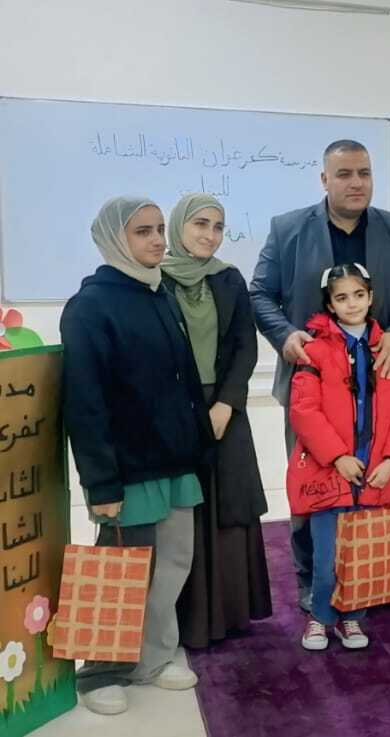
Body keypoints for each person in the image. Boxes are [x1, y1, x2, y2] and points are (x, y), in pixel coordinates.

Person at [251, 139, 390, 613]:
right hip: (312, 390)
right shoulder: (288, 229)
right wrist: (286, 335)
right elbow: (259, 294)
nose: (356, 183)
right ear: (324, 179)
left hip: (380, 385)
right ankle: (313, 582)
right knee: (314, 488)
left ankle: (367, 578)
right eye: (345, 174)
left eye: (364, 173)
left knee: (375, 483)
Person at [63, 196, 213, 715]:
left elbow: (185, 380)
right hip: (127, 470)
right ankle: (99, 672)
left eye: (159, 230)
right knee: (121, 571)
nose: (157, 240)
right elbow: (84, 403)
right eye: (142, 232)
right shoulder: (90, 306)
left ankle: (151, 658)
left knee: (171, 565)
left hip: (173, 463)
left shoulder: (158, 294)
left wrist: (197, 446)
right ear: (114, 239)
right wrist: (100, 483)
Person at [160, 194, 272, 649]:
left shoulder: (228, 279)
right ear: (179, 227)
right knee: (183, 512)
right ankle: (187, 621)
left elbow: (246, 344)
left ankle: (230, 615)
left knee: (230, 502)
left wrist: (226, 403)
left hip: (226, 409)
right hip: (176, 410)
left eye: (218, 226)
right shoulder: (155, 279)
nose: (210, 234)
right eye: (200, 224)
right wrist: (186, 408)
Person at [288, 263, 390, 650]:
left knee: (363, 550)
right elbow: (304, 411)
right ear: (329, 304)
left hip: (375, 470)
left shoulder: (386, 349)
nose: (352, 303)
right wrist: (338, 456)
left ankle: (353, 617)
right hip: (331, 472)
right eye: (342, 297)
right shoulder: (314, 351)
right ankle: (320, 617)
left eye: (359, 295)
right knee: (326, 555)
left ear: (371, 297)